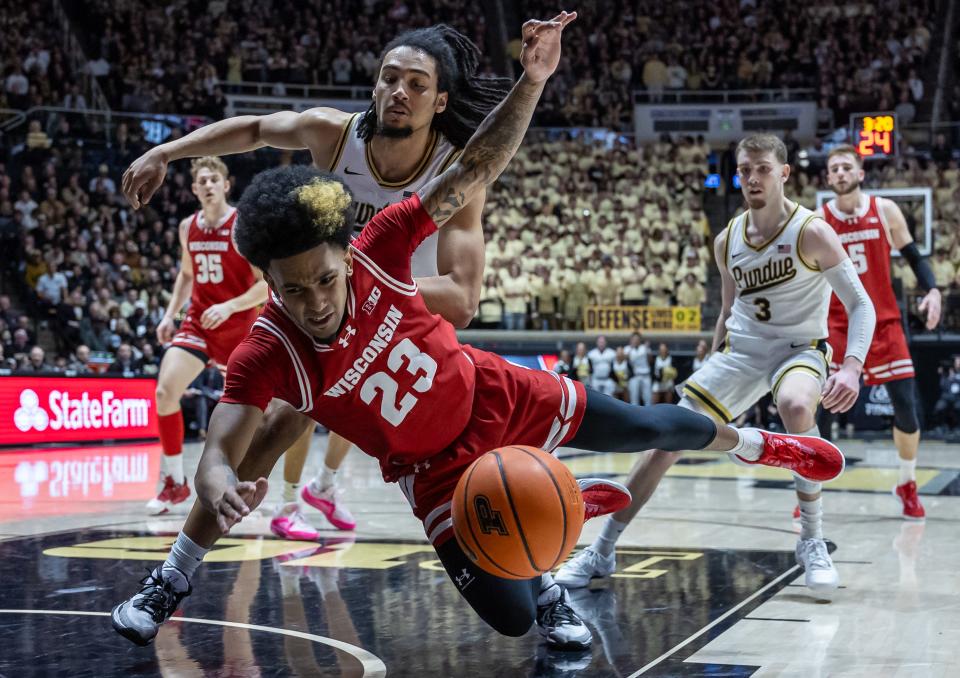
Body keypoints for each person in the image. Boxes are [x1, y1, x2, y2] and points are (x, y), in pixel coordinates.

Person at [112, 25, 844, 653]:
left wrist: (534, 79)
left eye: (324, 281)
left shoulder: (383, 244)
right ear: (269, 285)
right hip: (430, 469)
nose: (314, 301)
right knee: (510, 617)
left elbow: (472, 223)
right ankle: (174, 575)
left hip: (488, 389)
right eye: (292, 290)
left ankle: (763, 445)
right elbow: (221, 444)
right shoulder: (281, 311)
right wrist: (216, 479)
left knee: (645, 423)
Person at [121, 23, 506, 540]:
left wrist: (364, 289)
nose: (399, 91)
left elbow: (461, 301)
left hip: (408, 321)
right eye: (390, 78)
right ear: (374, 86)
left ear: (439, 101)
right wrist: (166, 153)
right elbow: (256, 128)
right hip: (330, 304)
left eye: (416, 84)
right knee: (279, 418)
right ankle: (202, 547)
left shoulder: (454, 169)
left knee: (409, 435)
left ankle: (317, 489)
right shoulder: (335, 133)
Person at [558, 133, 876, 595]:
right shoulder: (727, 240)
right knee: (666, 438)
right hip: (741, 354)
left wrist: (850, 366)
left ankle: (811, 541)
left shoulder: (812, 231)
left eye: (763, 168)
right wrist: (710, 359)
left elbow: (860, 304)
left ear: (784, 173)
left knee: (795, 404)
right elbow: (727, 311)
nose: (752, 178)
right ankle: (602, 550)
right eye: (744, 170)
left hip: (799, 349)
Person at [817, 145, 942, 520]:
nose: (840, 173)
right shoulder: (818, 220)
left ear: (860, 173)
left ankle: (906, 482)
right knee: (822, 407)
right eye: (834, 168)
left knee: (906, 405)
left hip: (883, 322)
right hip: (837, 323)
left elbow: (914, 257)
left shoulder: (884, 210)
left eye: (846, 167)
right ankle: (811, 487)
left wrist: (933, 289)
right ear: (828, 178)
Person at [146, 156, 268, 515]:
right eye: (203, 180)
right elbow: (186, 275)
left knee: (250, 419)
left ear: (226, 185)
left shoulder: (242, 224)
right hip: (198, 323)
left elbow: (265, 286)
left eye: (215, 179)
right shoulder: (188, 227)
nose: (209, 185)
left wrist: (230, 307)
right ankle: (174, 483)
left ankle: (242, 486)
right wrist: (171, 315)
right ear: (195, 189)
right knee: (165, 392)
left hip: (239, 326)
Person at [625, 331, 652, 406]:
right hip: (634, 376)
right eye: (634, 339)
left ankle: (648, 415)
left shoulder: (644, 347)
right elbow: (624, 360)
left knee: (647, 398)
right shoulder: (627, 348)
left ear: (640, 340)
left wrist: (647, 349)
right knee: (634, 398)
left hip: (645, 375)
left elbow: (651, 361)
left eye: (637, 339)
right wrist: (631, 347)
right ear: (631, 340)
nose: (635, 340)